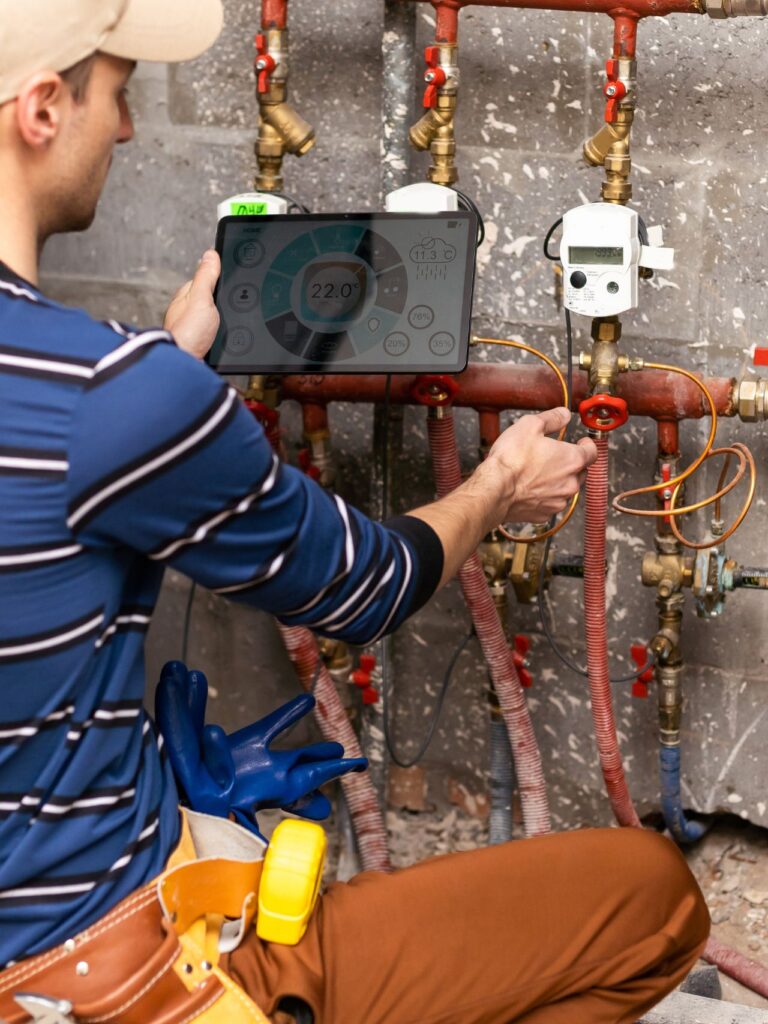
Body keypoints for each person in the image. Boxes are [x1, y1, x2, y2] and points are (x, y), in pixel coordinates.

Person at [0, 2, 709, 1022]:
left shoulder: (123, 392)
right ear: (41, 108)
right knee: (648, 898)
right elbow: (366, 586)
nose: (126, 130)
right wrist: (500, 483)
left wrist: (171, 363)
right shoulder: (112, 396)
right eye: (113, 94)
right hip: (115, 979)